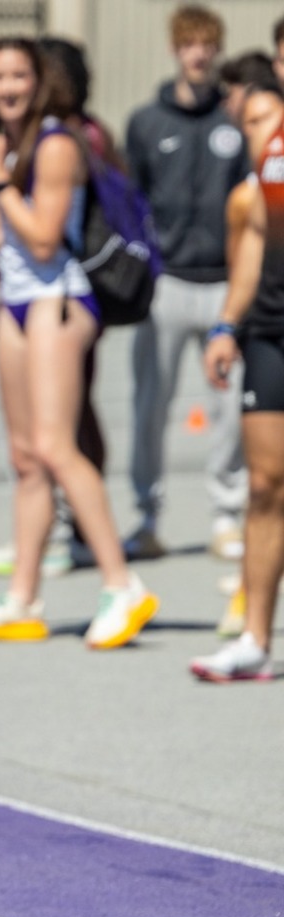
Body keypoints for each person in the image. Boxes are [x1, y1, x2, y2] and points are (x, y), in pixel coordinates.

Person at [0, 37, 157, 648]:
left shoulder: (57, 143)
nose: (8, 87)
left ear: (38, 81)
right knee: (25, 458)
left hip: (57, 301)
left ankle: (122, 586)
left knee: (57, 447)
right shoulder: (3, 147)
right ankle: (22, 597)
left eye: (19, 75)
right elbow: (6, 237)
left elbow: (43, 240)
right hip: (14, 303)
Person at [124, 5, 249, 565]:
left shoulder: (234, 121)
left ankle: (227, 515)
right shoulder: (147, 122)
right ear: (176, 49)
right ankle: (147, 515)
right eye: (189, 44)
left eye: (208, 45)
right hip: (166, 284)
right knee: (151, 404)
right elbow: (133, 203)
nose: (199, 54)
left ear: (217, 51)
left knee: (229, 408)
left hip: (225, 283)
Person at [193, 64, 284, 681]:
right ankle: (254, 637)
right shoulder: (269, 158)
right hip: (273, 330)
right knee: (264, 485)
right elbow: (253, 240)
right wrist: (227, 324)